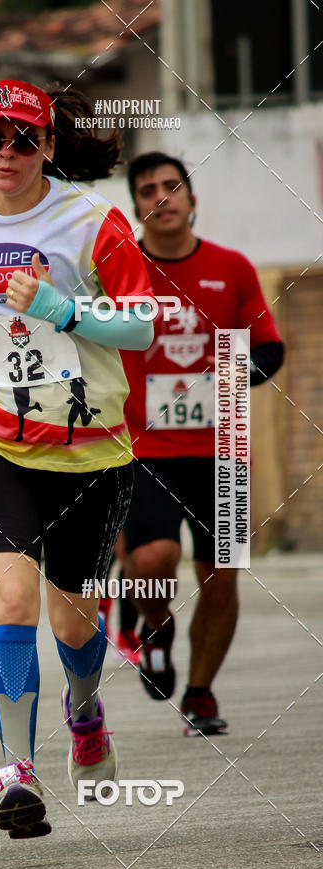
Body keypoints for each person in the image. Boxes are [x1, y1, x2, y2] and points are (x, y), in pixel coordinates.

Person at [0, 80, 155, 838]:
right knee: (12, 601)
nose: (7, 153)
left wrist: (66, 311)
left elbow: (143, 325)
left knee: (77, 621)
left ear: (49, 145)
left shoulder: (95, 224)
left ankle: (84, 711)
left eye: (24, 139)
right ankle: (16, 772)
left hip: (91, 450)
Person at [119, 151, 284, 736]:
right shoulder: (119, 268)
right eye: (147, 190)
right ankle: (153, 625)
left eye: (171, 186)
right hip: (143, 448)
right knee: (152, 559)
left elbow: (269, 349)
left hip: (225, 449)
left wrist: (231, 373)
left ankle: (201, 694)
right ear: (136, 205)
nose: (161, 197)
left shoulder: (232, 268)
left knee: (222, 576)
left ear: (192, 199)